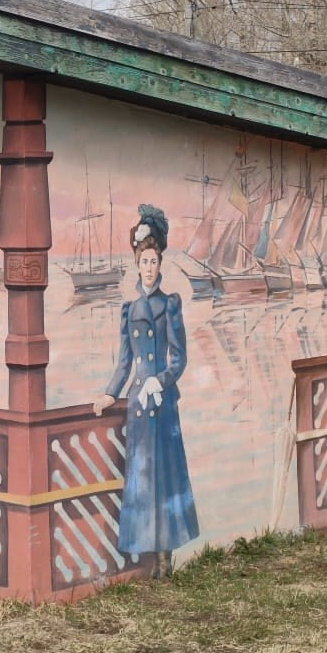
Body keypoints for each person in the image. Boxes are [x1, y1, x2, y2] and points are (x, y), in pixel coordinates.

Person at [93, 205, 198, 577]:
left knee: (165, 477)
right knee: (142, 477)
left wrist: (162, 380)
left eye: (153, 261)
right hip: (138, 404)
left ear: (160, 263)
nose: (149, 267)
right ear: (137, 266)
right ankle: (148, 555)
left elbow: (179, 357)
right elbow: (124, 362)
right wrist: (110, 394)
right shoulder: (129, 310)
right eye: (144, 262)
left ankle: (166, 556)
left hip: (163, 403)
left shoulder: (170, 305)